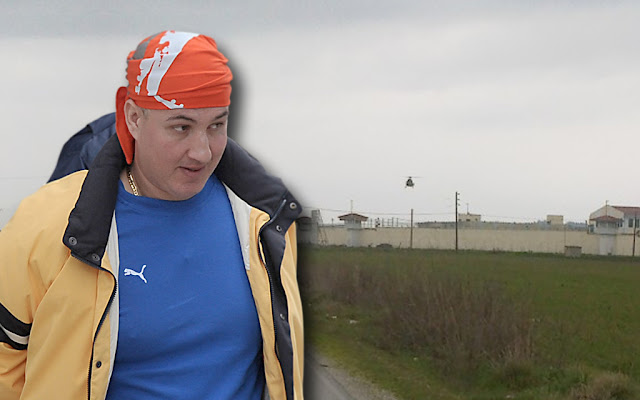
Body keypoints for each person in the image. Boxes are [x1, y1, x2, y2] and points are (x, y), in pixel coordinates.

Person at [0, 30, 303, 400]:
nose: (202, 152)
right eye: (181, 127)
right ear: (133, 117)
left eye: (216, 126)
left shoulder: (264, 221)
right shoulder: (43, 226)